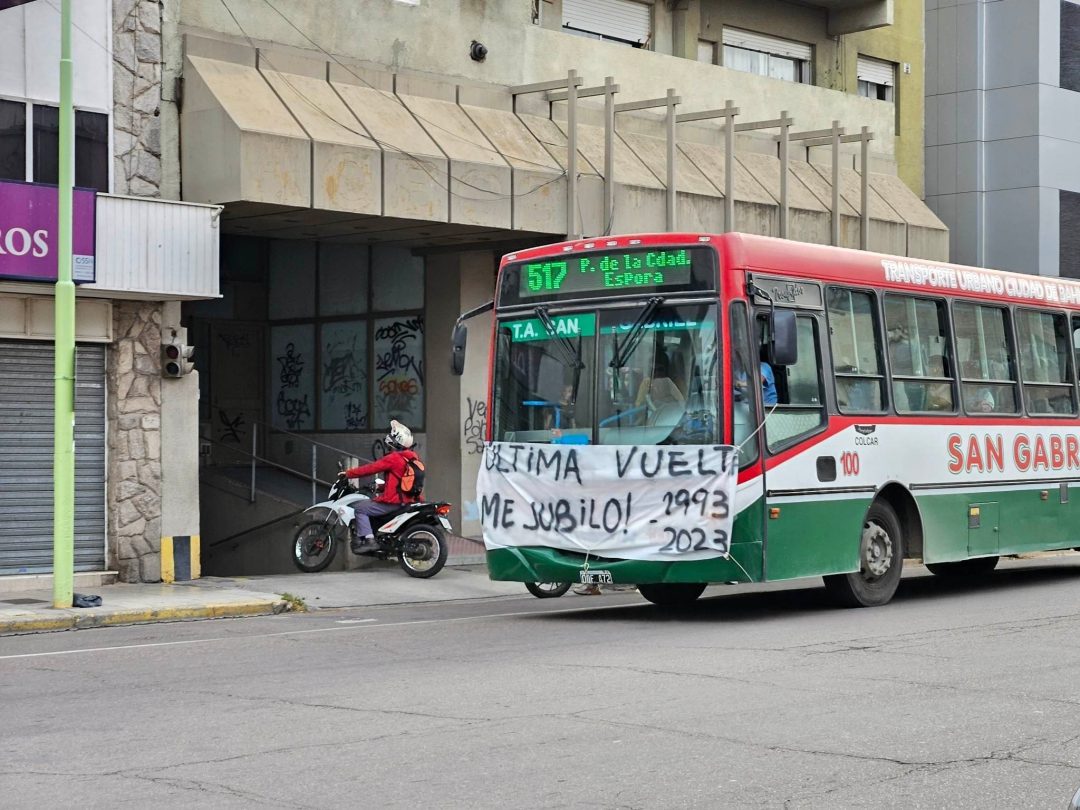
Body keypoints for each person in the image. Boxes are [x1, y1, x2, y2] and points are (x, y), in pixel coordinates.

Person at [342, 420, 423, 553]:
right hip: (407, 501)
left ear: (396, 441)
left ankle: (370, 541)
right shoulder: (411, 459)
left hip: (393, 503)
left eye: (391, 436)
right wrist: (380, 488)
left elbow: (370, 468)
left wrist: (348, 474)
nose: (388, 440)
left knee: (360, 508)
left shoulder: (394, 458)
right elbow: (401, 483)